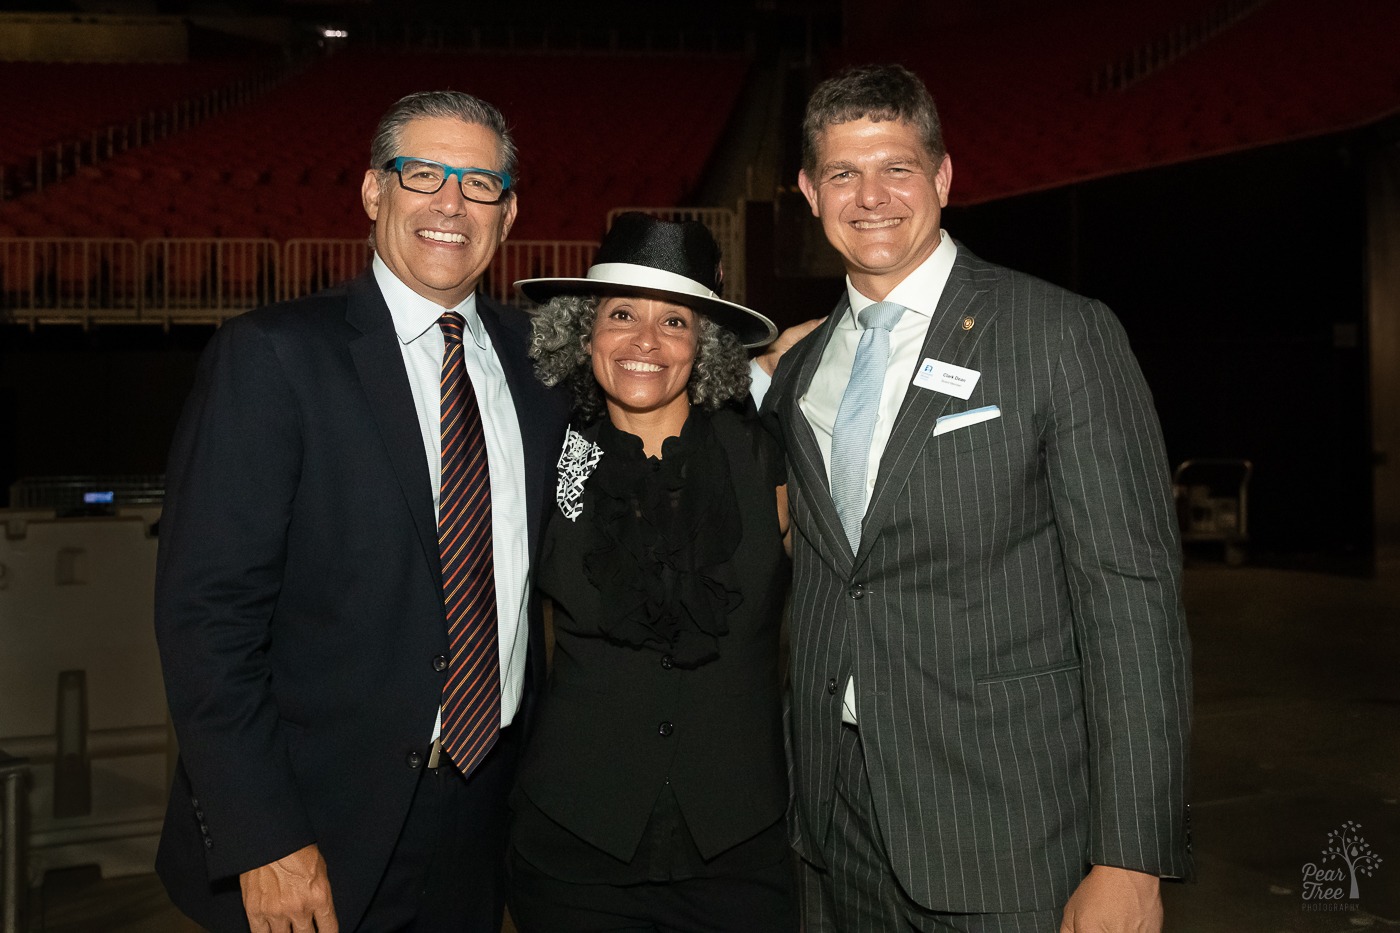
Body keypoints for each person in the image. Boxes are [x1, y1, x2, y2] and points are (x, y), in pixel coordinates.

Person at [755, 64, 1192, 932]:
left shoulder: (1058, 332)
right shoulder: (800, 369)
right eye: (843, 173)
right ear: (808, 192)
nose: (871, 196)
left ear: (944, 177)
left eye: (898, 168)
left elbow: (1132, 602)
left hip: (1008, 829)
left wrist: (1130, 856)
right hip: (835, 825)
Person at [154, 90, 569, 932]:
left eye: (479, 183)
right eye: (424, 174)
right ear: (375, 193)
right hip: (311, 830)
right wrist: (261, 833)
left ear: (510, 210)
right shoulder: (272, 357)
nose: (451, 202)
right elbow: (206, 618)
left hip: (482, 818)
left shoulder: (542, 365)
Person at [504, 212, 798, 932]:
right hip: (574, 856)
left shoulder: (768, 457)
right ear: (584, 332)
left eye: (676, 320)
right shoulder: (548, 453)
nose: (645, 340)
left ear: (706, 345)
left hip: (744, 857)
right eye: (622, 313)